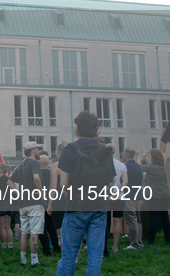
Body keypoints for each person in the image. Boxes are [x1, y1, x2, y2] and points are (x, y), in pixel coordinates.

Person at [56, 111, 115, 276]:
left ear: (77, 128)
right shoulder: (105, 150)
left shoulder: (69, 150)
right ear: (97, 129)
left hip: (76, 205)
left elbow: (64, 183)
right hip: (99, 206)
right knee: (95, 257)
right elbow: (110, 180)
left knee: (69, 256)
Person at [8, 141, 44, 266]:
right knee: (35, 231)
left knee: (24, 232)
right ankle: (34, 260)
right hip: (34, 203)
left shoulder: (20, 165)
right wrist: (40, 192)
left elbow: (10, 182)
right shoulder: (35, 163)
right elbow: (36, 177)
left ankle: (23, 259)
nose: (40, 151)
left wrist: (18, 194)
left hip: (23, 204)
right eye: (38, 149)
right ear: (32, 151)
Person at [142, 148, 170, 244]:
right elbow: (151, 165)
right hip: (165, 195)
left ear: (153, 157)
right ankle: (168, 237)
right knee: (165, 217)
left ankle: (150, 239)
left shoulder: (151, 168)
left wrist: (139, 157)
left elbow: (140, 167)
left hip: (154, 196)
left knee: (152, 218)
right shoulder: (165, 167)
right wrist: (145, 157)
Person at [104, 143, 127, 254]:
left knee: (104, 221)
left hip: (106, 196)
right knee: (117, 221)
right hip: (119, 196)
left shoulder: (102, 164)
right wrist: (118, 192)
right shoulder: (121, 165)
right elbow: (125, 182)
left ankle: (101, 245)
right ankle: (115, 246)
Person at [37, 155, 60, 256]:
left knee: (42, 227)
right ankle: (56, 247)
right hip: (51, 200)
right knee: (52, 226)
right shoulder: (51, 173)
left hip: (40, 201)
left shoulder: (37, 174)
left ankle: (46, 249)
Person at [123, 147, 145, 250]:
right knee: (138, 220)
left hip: (129, 196)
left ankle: (135, 243)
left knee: (131, 219)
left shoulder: (125, 167)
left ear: (125, 155)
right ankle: (139, 241)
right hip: (139, 196)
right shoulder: (139, 166)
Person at [0, 162, 14, 250]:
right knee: (8, 226)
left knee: (2, 227)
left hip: (1, 203)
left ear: (1, 170)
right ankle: (10, 245)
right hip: (9, 203)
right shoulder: (9, 179)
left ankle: (3, 245)